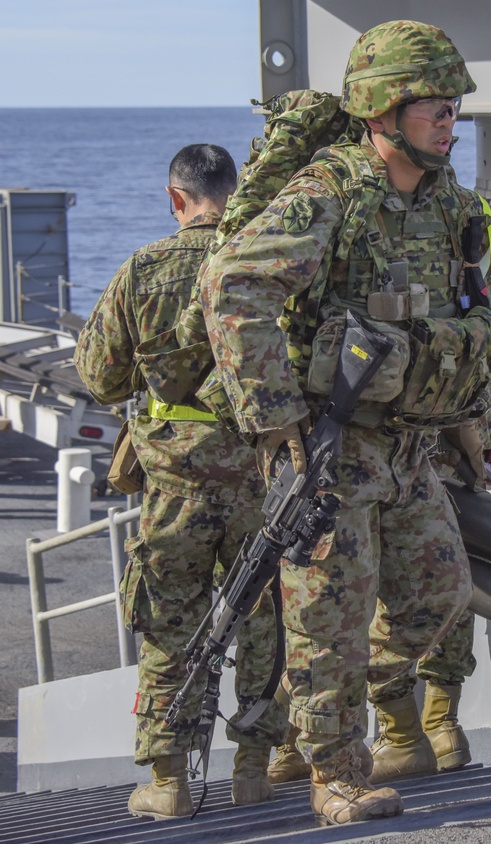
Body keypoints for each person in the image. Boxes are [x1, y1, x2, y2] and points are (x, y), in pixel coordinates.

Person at [200, 20, 491, 826]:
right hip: (331, 450)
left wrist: (472, 430)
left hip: (412, 446)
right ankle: (333, 773)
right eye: (432, 108)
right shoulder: (331, 193)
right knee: (326, 618)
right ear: (381, 110)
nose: (450, 122)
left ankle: (329, 709)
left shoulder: (447, 206)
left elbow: (466, 322)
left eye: (453, 108)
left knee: (438, 592)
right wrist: (274, 421)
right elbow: (233, 285)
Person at [74, 144, 286, 821]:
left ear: (176, 199)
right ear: (234, 190)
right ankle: (254, 769)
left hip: (175, 485)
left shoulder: (144, 271)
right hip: (263, 477)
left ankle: (169, 783)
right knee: (261, 618)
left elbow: (100, 377)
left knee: (169, 622)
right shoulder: (265, 261)